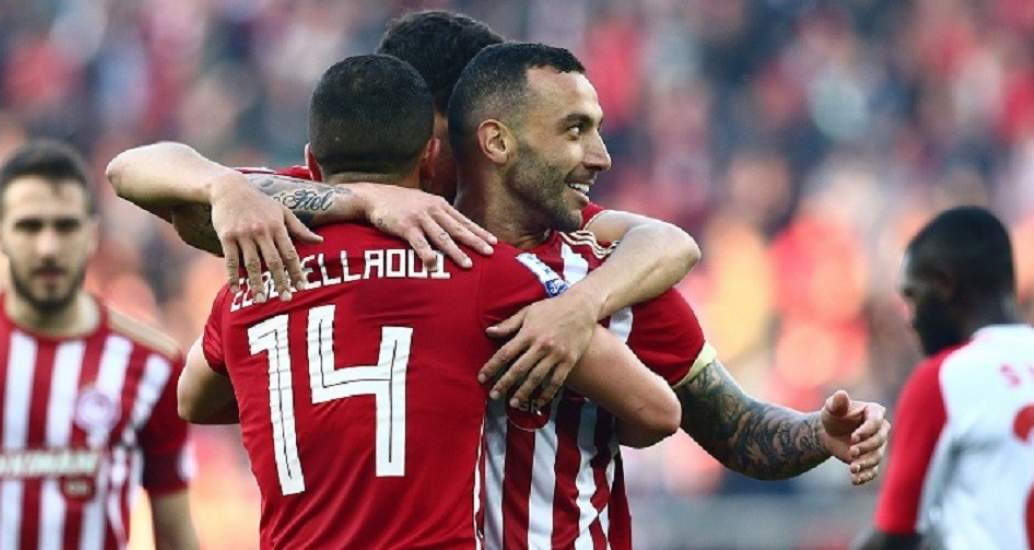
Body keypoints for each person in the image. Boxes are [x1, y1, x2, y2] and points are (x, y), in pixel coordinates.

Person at [110, 11, 890, 548]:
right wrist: (294, 192)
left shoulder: (594, 262)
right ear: (453, 132)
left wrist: (819, 436)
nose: (597, 157)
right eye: (574, 131)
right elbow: (140, 172)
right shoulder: (323, 216)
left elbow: (731, 426)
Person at [178, 53, 680, 549]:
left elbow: (191, 400)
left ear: (311, 164)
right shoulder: (477, 266)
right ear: (429, 159)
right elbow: (656, 409)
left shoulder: (249, 283)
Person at [0, 141, 199, 550]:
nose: (48, 247)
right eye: (30, 227)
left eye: (65, 227)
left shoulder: (152, 363)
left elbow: (175, 532)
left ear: (92, 235)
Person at [857, 206, 1034, 550]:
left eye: (912, 296)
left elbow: (897, 536)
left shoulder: (943, 379)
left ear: (944, 285)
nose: (910, 320)